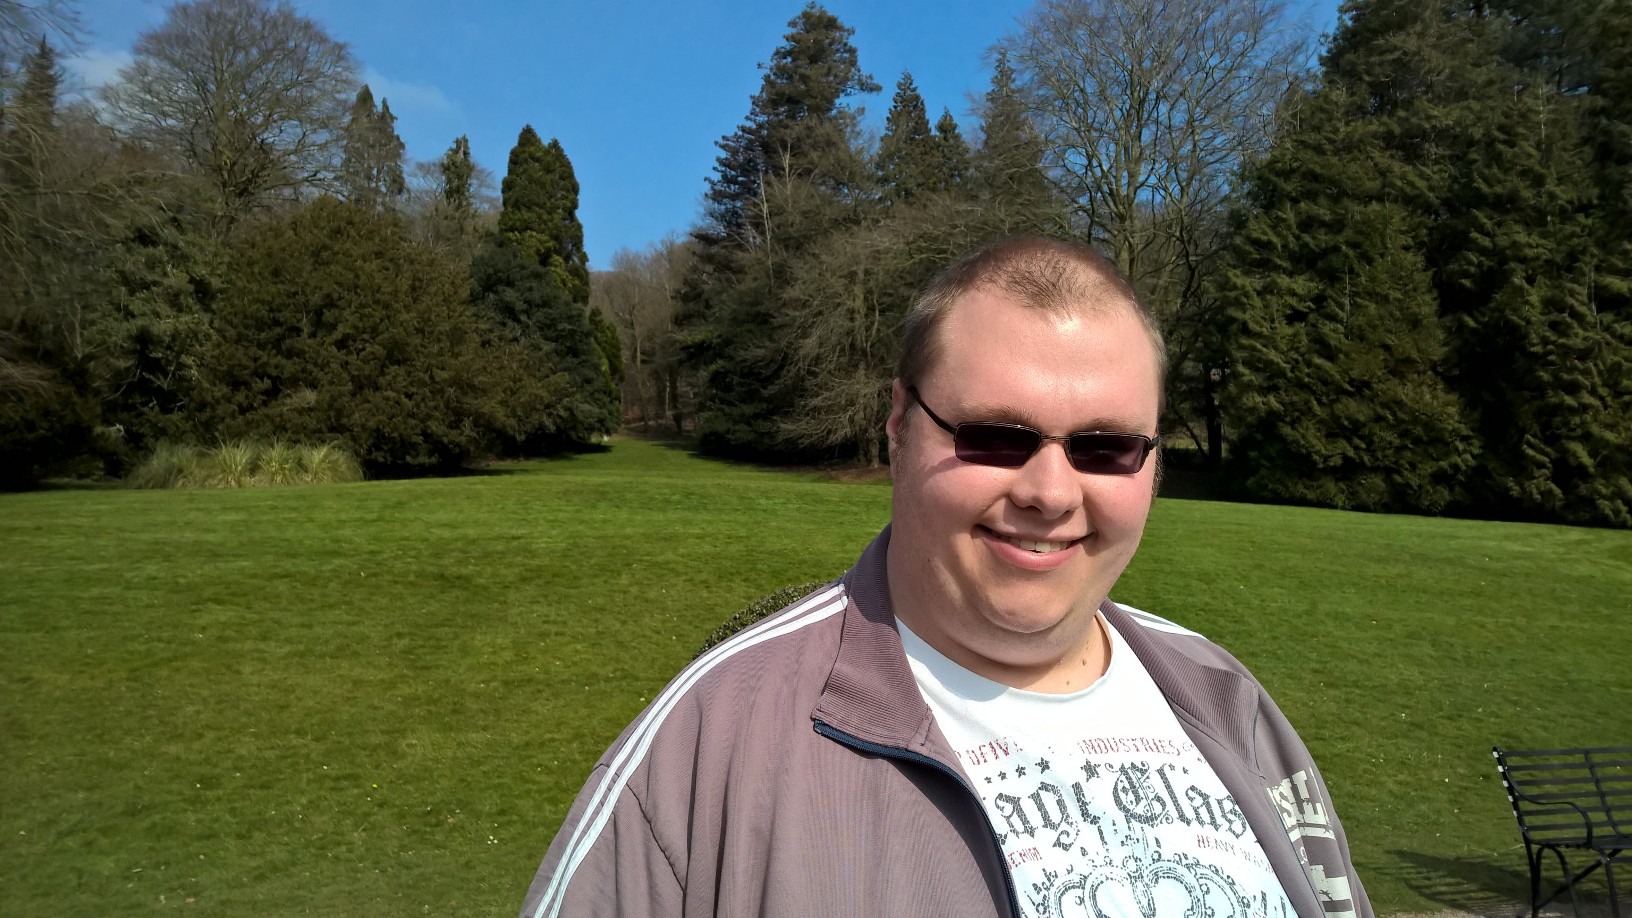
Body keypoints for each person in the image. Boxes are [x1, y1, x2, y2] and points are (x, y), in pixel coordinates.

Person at [519, 237, 1371, 918]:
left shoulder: (1228, 700)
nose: (1049, 493)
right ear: (899, 425)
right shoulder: (707, 748)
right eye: (996, 436)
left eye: (1106, 447)